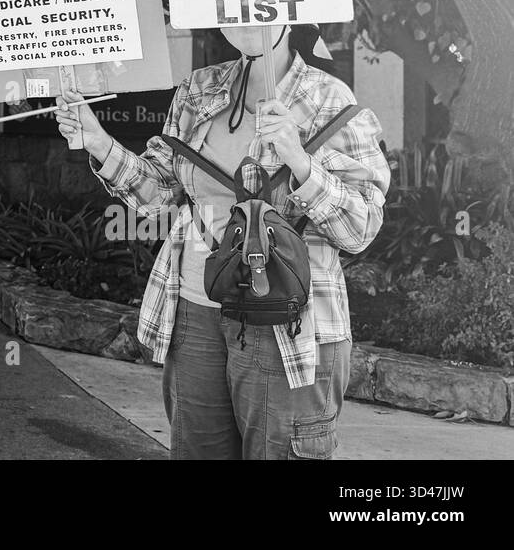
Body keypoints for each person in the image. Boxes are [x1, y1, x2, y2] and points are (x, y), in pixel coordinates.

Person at [54, 24, 388, 461]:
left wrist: (299, 160)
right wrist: (98, 141)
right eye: (231, 10)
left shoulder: (331, 99)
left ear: (288, 11)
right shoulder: (198, 90)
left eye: (258, 7)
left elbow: (360, 228)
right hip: (196, 309)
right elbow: (157, 196)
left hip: (290, 321)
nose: (245, 21)